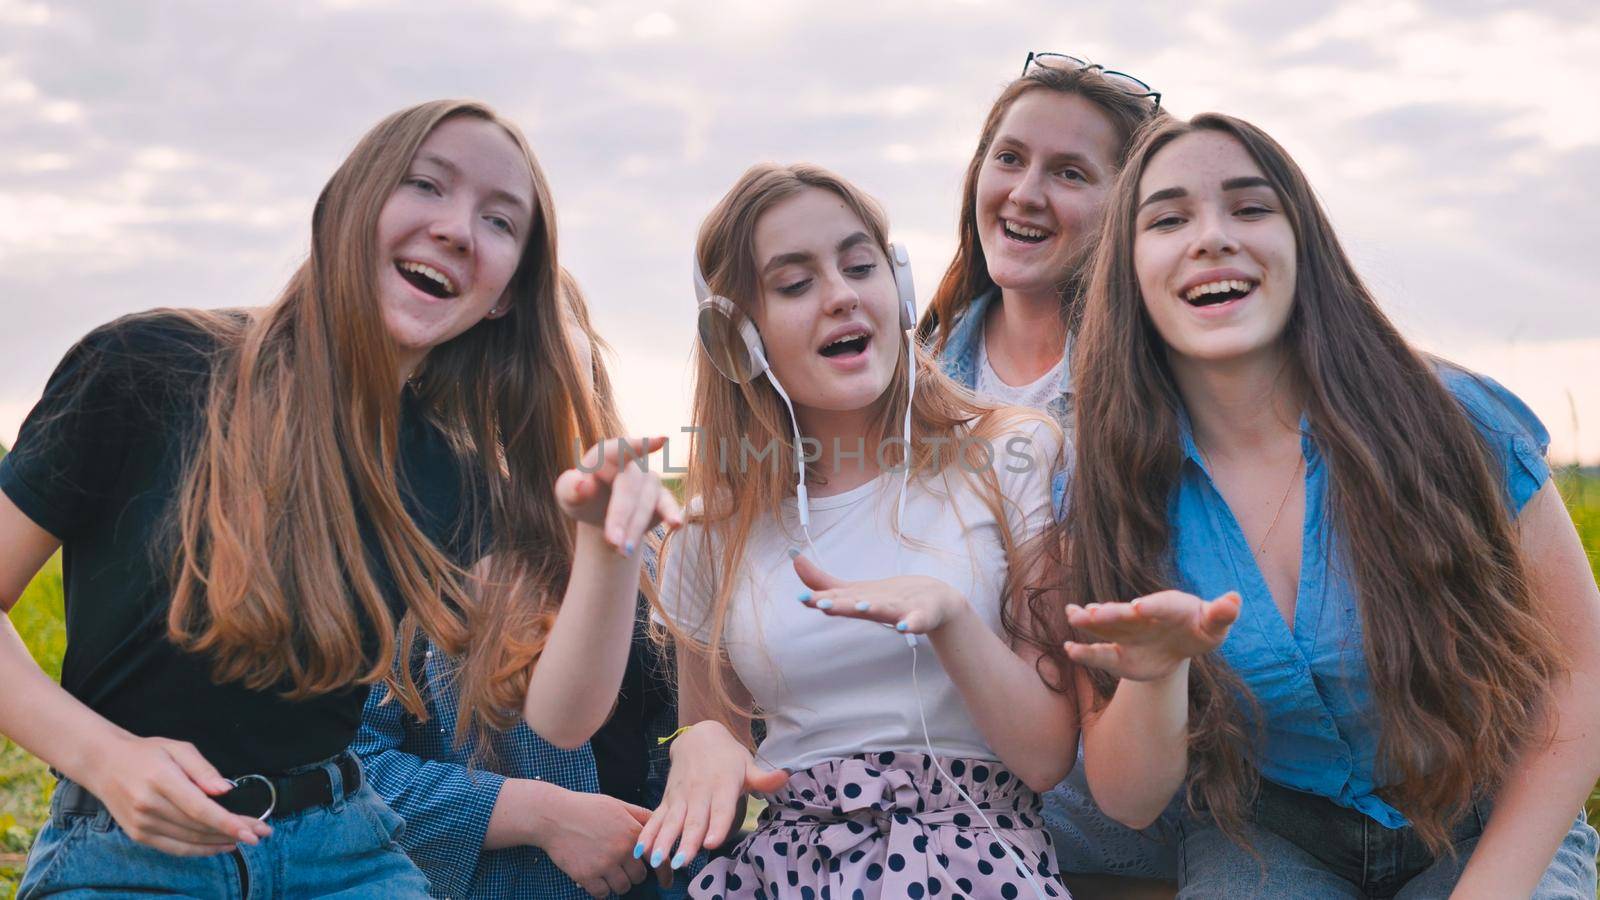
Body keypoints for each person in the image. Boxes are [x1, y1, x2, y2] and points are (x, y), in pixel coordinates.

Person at [1, 98, 675, 897]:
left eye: (501, 222)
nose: (458, 228)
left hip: (345, 851)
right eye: (426, 184)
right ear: (347, 207)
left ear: (503, 295)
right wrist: (101, 756)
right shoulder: (148, 368)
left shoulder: (444, 470)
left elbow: (563, 719)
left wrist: (605, 548)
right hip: (129, 853)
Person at [1055, 111, 1600, 898]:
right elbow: (1130, 801)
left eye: (1250, 207)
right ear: (1130, 269)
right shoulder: (1105, 487)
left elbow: (1581, 670)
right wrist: (1153, 675)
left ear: (1304, 248)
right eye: (1168, 219)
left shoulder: (1455, 418)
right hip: (1268, 834)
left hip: (1486, 817)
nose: (1210, 237)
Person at [639, 160, 1081, 899]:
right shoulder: (708, 538)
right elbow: (711, 752)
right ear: (736, 339)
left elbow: (1045, 758)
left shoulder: (1011, 456)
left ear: (898, 288)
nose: (841, 295)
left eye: (858, 266)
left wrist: (950, 620)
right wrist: (699, 747)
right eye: (795, 283)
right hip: (787, 872)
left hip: (974, 861)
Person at [919, 52, 1178, 899]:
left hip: (1118, 842)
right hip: (936, 832)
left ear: (1128, 209)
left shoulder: (1165, 391)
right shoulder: (905, 379)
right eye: (1010, 158)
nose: (1025, 193)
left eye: (1069, 172)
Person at [352, 273, 692, 900]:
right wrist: (536, 814)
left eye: (547, 317)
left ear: (589, 350)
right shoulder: (399, 548)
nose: (526, 344)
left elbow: (702, 733)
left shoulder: (658, 547)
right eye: (492, 325)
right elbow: (347, 771)